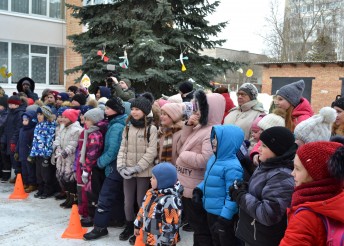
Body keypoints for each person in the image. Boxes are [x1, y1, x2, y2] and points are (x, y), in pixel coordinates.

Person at [229, 126, 297, 246]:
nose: (258, 148)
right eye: (260, 144)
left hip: (263, 239)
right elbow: (261, 191)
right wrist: (245, 187)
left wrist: (241, 196)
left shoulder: (282, 176)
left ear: (278, 150)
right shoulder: (267, 165)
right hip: (254, 233)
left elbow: (268, 214)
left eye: (264, 146)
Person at [176, 90, 226, 246]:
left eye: (199, 108)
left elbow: (206, 160)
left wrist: (183, 156)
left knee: (201, 228)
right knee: (198, 227)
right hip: (188, 184)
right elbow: (184, 143)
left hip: (196, 187)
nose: (196, 111)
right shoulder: (201, 128)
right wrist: (189, 125)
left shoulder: (212, 131)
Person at [280, 141, 344, 245]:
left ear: (317, 175)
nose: (292, 173)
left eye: (297, 169)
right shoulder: (338, 196)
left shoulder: (305, 217)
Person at [83, 97, 128, 240]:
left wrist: (99, 163)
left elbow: (113, 151)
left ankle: (100, 227)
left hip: (114, 166)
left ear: (117, 110)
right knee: (116, 195)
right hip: (114, 166)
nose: (106, 111)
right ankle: (116, 219)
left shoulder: (117, 127)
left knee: (105, 196)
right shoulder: (114, 123)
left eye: (108, 108)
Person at [193, 124, 244, 246]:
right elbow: (210, 179)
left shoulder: (232, 166)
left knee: (225, 242)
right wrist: (199, 190)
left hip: (222, 216)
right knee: (215, 241)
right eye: (213, 137)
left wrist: (225, 218)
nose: (213, 141)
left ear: (228, 142)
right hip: (211, 211)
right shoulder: (214, 159)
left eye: (217, 138)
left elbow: (232, 195)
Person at [116, 95, 158, 242]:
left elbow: (151, 151)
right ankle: (129, 225)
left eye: (137, 109)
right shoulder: (127, 128)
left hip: (143, 172)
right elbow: (123, 148)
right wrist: (121, 166)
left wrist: (137, 167)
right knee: (128, 201)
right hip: (127, 171)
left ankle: (140, 228)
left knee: (141, 200)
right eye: (132, 109)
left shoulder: (151, 129)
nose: (134, 112)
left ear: (145, 111)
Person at [133, 162, 183, 246]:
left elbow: (171, 226)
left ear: (163, 181)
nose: (150, 179)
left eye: (153, 178)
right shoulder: (150, 192)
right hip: (149, 238)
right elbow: (142, 209)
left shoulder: (171, 201)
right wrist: (137, 225)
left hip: (162, 242)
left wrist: (165, 243)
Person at [54, 109, 82, 208]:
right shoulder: (62, 127)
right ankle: (68, 197)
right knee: (63, 178)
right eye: (62, 117)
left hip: (70, 157)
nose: (63, 119)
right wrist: (57, 147)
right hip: (61, 157)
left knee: (70, 178)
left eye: (66, 117)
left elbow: (73, 144)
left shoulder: (76, 130)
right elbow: (58, 138)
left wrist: (64, 152)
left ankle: (73, 198)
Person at [29, 106, 57, 199]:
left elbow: (49, 142)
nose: (38, 116)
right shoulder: (38, 125)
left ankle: (48, 190)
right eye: (37, 114)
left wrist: (47, 155)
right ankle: (40, 189)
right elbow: (35, 141)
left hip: (45, 154)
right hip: (37, 153)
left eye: (41, 114)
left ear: (46, 115)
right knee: (39, 173)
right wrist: (32, 153)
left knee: (46, 174)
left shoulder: (51, 126)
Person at [3, 94, 26, 182]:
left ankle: (20, 177)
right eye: (9, 104)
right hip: (9, 139)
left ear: (17, 104)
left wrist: (13, 140)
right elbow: (6, 127)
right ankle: (17, 176)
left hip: (15, 140)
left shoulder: (19, 113)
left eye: (11, 104)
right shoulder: (10, 113)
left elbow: (18, 128)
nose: (9, 106)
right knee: (13, 160)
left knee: (17, 159)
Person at [15, 110, 38, 192]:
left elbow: (33, 143)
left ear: (31, 120)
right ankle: (26, 182)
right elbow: (19, 141)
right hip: (22, 153)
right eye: (23, 120)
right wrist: (17, 151)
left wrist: (30, 154)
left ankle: (32, 184)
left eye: (26, 120)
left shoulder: (32, 130)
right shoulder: (22, 129)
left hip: (28, 154)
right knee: (24, 169)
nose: (24, 122)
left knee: (30, 169)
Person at [0, 97, 9, 182]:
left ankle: (6, 175)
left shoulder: (5, 115)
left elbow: (2, 125)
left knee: (4, 159)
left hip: (3, 140)